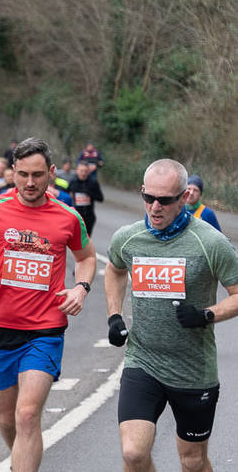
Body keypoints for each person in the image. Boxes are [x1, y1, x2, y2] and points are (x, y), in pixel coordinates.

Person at [0, 138, 97, 472]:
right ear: (12, 172)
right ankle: (20, 462)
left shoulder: (68, 217)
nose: (30, 183)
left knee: (28, 414)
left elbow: (87, 258)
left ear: (52, 173)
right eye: (23, 174)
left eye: (38, 175)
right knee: (8, 420)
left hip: (45, 330)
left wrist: (81, 288)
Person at [104, 159, 237, 472]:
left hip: (193, 370)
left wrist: (206, 315)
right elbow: (114, 269)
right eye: (148, 197)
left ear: (184, 197)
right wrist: (114, 315)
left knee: (192, 461)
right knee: (133, 453)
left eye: (164, 200)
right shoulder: (128, 237)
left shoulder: (210, 242)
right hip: (143, 362)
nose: (155, 207)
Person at [65, 161, 104, 235]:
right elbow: (66, 195)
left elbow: (101, 198)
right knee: (75, 238)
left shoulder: (93, 182)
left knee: (86, 239)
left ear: (89, 172)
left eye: (85, 171)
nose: (83, 173)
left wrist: (89, 193)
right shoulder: (73, 182)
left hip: (88, 217)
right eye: (81, 171)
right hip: (75, 216)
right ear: (77, 171)